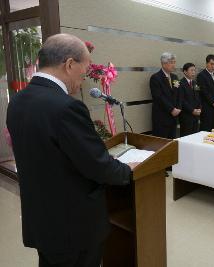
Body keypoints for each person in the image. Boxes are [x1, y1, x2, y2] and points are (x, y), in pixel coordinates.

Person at [6, 33, 138, 267]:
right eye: (84, 71)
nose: (84, 79)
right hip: (73, 227)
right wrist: (128, 171)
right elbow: (97, 165)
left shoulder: (18, 100)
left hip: (42, 220)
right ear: (69, 64)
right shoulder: (66, 107)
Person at [150, 52, 181, 139]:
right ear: (163, 63)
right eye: (171, 62)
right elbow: (158, 97)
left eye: (174, 62)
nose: (174, 65)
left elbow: (179, 94)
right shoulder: (155, 78)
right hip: (162, 117)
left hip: (174, 116)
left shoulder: (175, 77)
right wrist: (171, 109)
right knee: (162, 143)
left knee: (172, 142)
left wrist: (178, 108)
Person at [197, 54, 214, 131]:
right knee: (205, 129)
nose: (213, 66)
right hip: (206, 107)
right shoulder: (201, 75)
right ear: (206, 63)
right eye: (211, 64)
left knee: (213, 129)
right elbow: (204, 92)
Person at [179, 63, 201, 136]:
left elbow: (198, 97)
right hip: (186, 115)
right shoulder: (181, 83)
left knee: (194, 135)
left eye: (194, 70)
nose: (193, 72)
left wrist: (199, 108)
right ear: (185, 72)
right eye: (191, 70)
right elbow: (182, 100)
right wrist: (192, 110)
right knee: (186, 135)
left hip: (196, 115)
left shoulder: (195, 83)